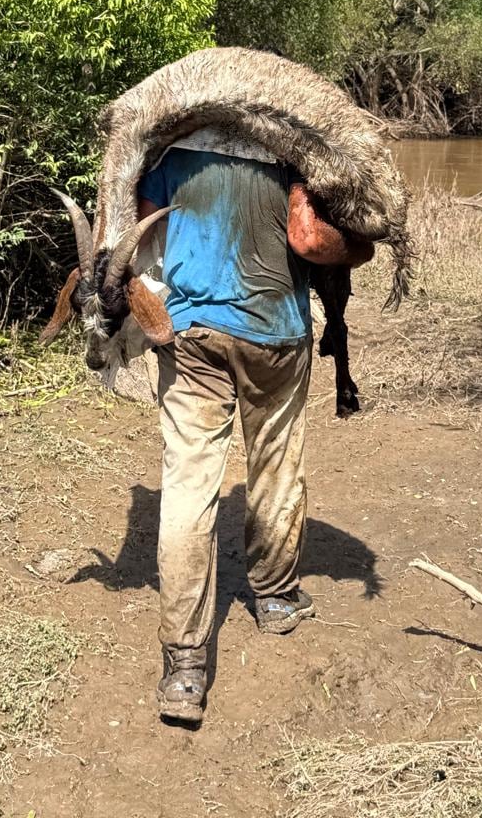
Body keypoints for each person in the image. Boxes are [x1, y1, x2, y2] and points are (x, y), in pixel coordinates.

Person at [137, 127, 373, 726]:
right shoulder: (292, 154)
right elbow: (308, 239)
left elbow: (145, 240)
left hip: (192, 337)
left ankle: (185, 667)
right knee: (274, 465)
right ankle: (274, 596)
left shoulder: (173, 147)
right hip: (274, 334)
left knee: (188, 487)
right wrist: (360, 249)